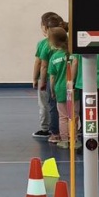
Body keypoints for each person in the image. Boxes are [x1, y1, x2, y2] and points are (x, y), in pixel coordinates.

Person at [32, 11, 65, 140]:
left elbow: (41, 64)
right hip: (64, 79)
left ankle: (47, 129)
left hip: (48, 79)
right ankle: (67, 130)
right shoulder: (66, 41)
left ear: (45, 27)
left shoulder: (43, 44)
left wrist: (37, 79)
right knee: (63, 106)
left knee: (46, 105)